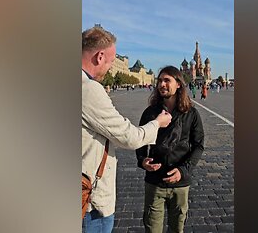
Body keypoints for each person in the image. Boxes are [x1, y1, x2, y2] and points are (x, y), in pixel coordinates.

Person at [82, 26, 172, 233]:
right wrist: (157, 124)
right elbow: (128, 137)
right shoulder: (88, 89)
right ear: (100, 56)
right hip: (89, 203)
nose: (111, 66)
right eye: (112, 61)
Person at [136, 66, 205, 233]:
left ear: (179, 84)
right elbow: (140, 140)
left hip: (180, 184)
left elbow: (198, 145)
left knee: (177, 229)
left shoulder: (191, 113)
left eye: (167, 80)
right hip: (155, 182)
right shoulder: (150, 113)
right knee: (152, 229)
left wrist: (183, 170)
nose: (162, 84)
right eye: (160, 81)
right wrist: (142, 160)